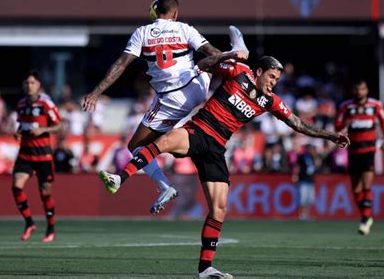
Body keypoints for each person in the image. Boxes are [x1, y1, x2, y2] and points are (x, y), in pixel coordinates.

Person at [99, 53, 349, 278]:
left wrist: (330, 136)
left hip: (217, 149)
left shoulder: (270, 101)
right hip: (198, 131)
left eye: (277, 80)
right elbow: (203, 64)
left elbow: (298, 124)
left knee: (219, 209)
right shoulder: (238, 71)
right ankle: (121, 178)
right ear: (259, 72)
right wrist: (227, 55)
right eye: (272, 77)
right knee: (164, 141)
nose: (274, 83)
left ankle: (205, 268)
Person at [82, 0, 249, 214]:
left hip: (172, 99)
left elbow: (121, 65)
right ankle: (236, 56)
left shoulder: (142, 33)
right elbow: (212, 54)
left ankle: (164, 186)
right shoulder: (184, 28)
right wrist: (226, 57)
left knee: (136, 146)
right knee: (208, 63)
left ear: (155, 12)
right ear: (175, 14)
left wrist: (96, 92)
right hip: (198, 87)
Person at [11, 71, 63, 243]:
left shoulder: (46, 104)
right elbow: (22, 125)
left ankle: (51, 228)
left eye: (32, 82)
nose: (29, 85)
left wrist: (42, 130)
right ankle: (29, 222)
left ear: (39, 85)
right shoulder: (20, 104)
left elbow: (59, 126)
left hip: (43, 155)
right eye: (26, 83)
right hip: (25, 153)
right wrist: (18, 133)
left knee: (45, 193)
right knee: (16, 187)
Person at [335, 80, 384, 235]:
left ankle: (365, 219)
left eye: (363, 89)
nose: (360, 92)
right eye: (357, 89)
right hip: (353, 151)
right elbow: (338, 125)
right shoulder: (346, 106)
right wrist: (344, 123)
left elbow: (383, 122)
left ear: (366, 90)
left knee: (366, 185)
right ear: (354, 90)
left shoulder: (375, 105)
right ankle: (366, 215)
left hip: (369, 150)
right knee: (356, 189)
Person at [292, 143, 320, 220]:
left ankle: (306, 214)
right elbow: (297, 166)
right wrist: (295, 175)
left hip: (310, 181)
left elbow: (315, 168)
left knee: (309, 200)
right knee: (303, 199)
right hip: (303, 180)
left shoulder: (314, 158)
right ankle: (301, 214)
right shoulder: (302, 157)